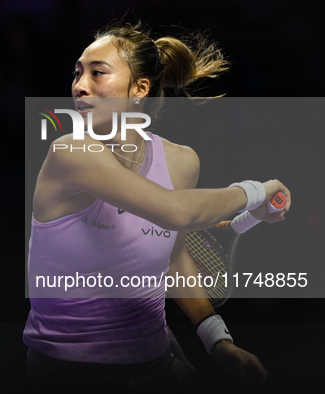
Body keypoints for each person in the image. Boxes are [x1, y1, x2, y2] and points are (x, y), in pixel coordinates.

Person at [23, 22, 290, 393]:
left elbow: (175, 257)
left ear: (139, 89)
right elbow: (175, 211)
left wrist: (217, 340)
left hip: (156, 360)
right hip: (67, 373)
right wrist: (256, 191)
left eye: (97, 73)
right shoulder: (70, 152)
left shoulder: (181, 163)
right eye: (78, 73)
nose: (79, 85)